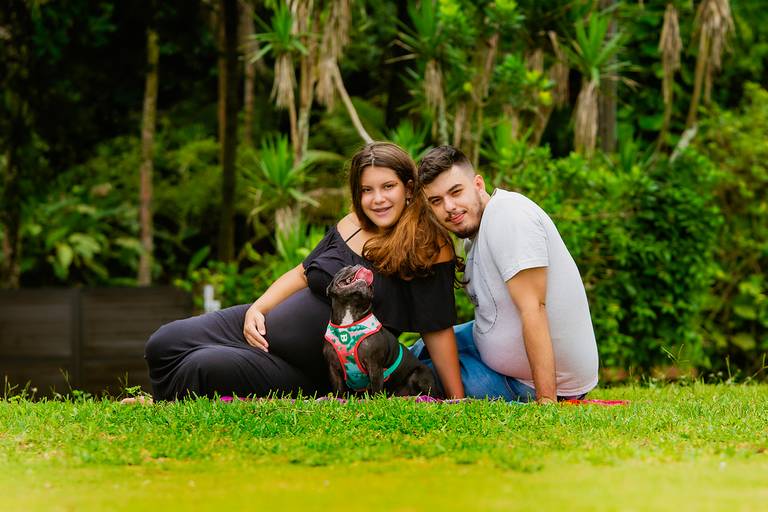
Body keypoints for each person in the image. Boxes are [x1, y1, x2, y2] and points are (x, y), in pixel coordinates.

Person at [144, 142, 465, 400]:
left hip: (315, 369)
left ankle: (161, 403)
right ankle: (162, 396)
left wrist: (456, 398)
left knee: (201, 366)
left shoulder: (428, 245)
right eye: (367, 190)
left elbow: (436, 328)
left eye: (388, 186)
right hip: (264, 326)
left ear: (408, 188)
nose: (377, 199)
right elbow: (301, 273)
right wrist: (259, 308)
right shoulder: (352, 223)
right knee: (163, 342)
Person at [413, 145, 598, 404]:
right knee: (422, 348)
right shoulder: (475, 231)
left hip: (534, 383)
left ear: (478, 184)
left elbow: (534, 309)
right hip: (487, 347)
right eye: (436, 201)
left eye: (456, 192)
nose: (449, 207)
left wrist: (547, 401)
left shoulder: (508, 216)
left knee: (417, 375)